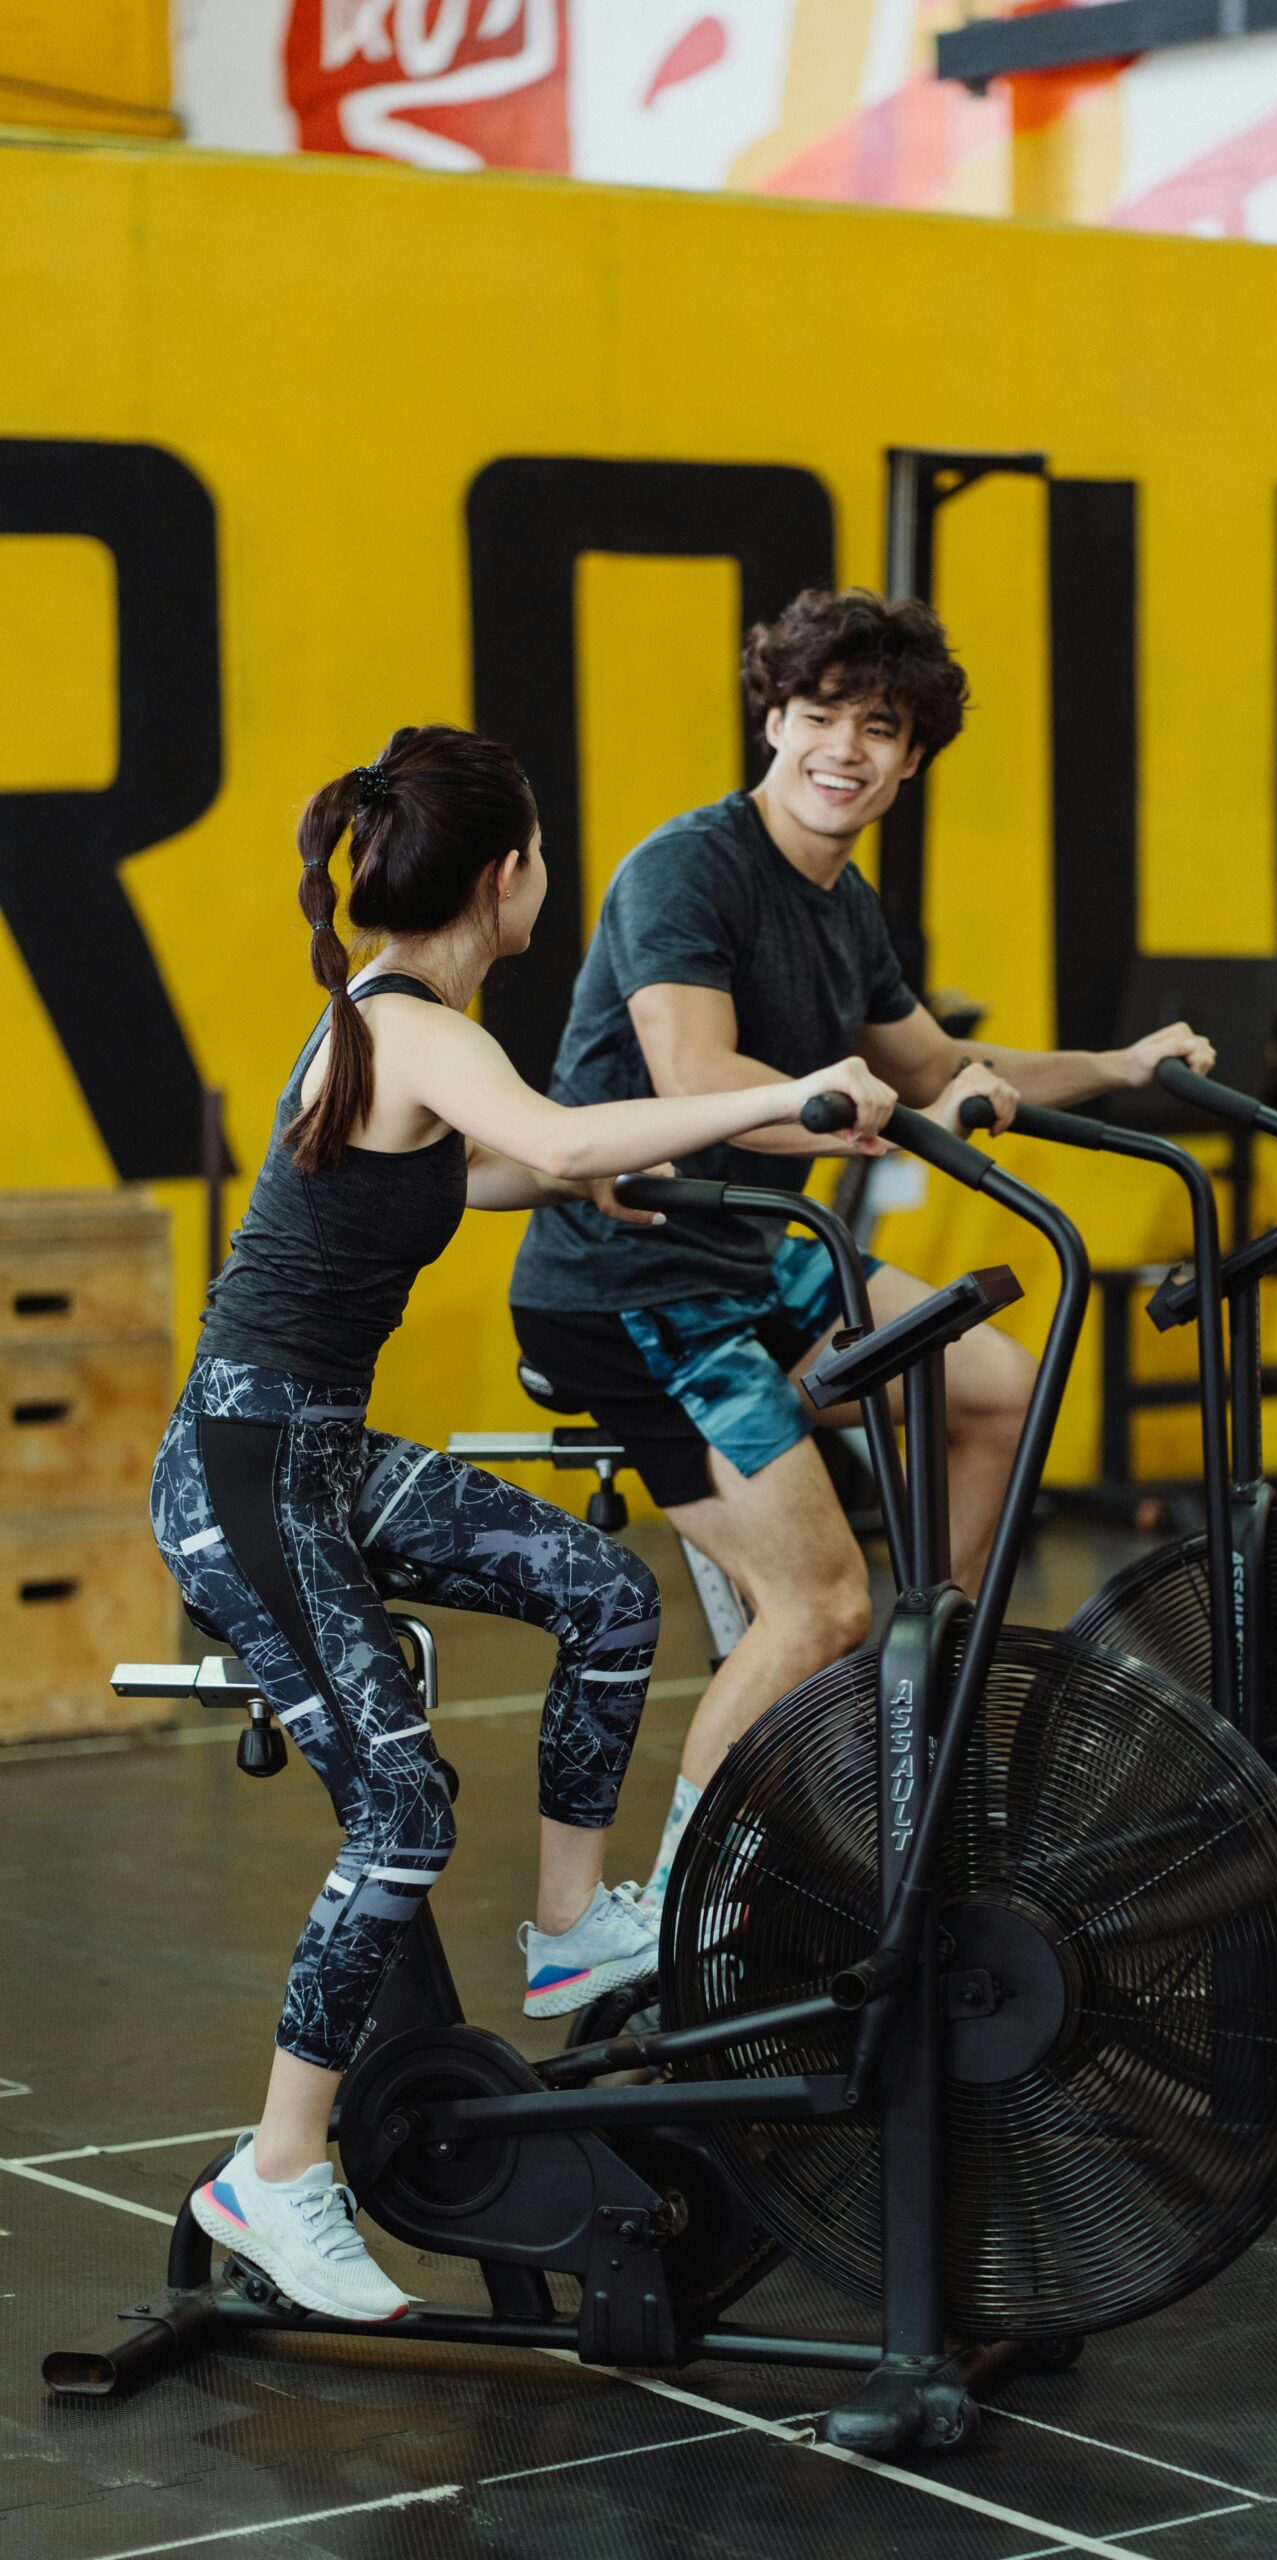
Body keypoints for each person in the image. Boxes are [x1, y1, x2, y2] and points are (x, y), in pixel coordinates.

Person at [151, 723, 893, 2324]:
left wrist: (573, 1185)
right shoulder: (409, 1020)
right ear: (509, 877)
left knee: (601, 1592)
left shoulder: (402, 1032)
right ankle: (274, 2174)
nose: (548, 875)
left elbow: (482, 1168)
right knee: (403, 1815)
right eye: (543, 854)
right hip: (241, 1469)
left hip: (318, 1452)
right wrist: (790, 1095)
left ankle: (568, 1926)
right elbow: (550, 1128)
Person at [508, 590, 1215, 1906]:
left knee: (996, 1388)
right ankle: (659, 1918)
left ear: (911, 759)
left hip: (756, 1256)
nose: (846, 748)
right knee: (816, 1605)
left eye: (879, 728)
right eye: (821, 715)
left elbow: (941, 1064)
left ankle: (902, 1708)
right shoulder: (690, 867)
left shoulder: (842, 903)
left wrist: (1121, 1064)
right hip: (636, 1275)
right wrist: (858, 1115)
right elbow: (692, 1070)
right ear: (773, 720)